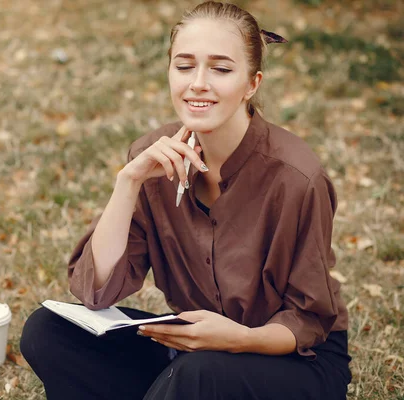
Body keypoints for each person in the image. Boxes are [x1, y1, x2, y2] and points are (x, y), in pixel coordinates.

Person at [20, 1, 352, 399]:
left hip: (291, 359)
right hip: (194, 351)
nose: (198, 82)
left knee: (199, 374)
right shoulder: (152, 157)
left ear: (252, 83)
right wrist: (127, 183)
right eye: (184, 65)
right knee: (47, 330)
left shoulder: (297, 178)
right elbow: (97, 291)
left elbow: (309, 320)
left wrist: (237, 339)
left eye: (221, 68)